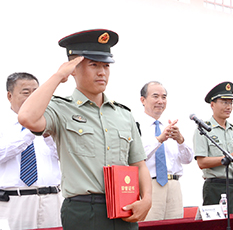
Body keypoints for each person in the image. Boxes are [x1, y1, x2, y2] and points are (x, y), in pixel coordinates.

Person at [16, 30, 152, 229]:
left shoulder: (123, 114)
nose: (102, 72)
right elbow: (27, 117)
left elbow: (139, 164)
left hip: (125, 207)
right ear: (73, 69)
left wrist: (147, 199)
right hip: (83, 211)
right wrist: (57, 76)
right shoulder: (60, 108)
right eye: (93, 65)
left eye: (106, 65)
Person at [0, 73, 62, 230]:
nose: (33, 97)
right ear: (9, 95)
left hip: (52, 199)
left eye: (37, 92)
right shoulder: (3, 124)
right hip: (16, 201)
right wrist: (31, 129)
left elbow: (65, 155)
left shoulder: (51, 122)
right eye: (26, 92)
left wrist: (47, 134)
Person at [192, 82, 233, 214]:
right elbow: (202, 163)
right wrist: (229, 157)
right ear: (212, 104)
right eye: (224, 102)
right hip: (216, 188)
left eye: (231, 103)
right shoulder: (203, 130)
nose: (228, 107)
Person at [138, 81, 193, 220]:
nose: (160, 101)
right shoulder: (136, 125)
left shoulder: (170, 126)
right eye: (155, 96)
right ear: (143, 100)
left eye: (164, 97)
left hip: (174, 185)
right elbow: (137, 156)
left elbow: (188, 159)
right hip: (150, 185)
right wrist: (160, 139)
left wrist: (180, 140)